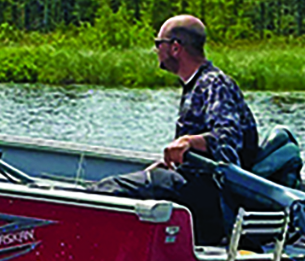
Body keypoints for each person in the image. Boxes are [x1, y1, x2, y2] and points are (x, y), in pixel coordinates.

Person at [86, 14, 258, 244]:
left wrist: (188, 142)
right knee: (142, 181)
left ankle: (78, 207)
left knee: (111, 189)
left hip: (211, 196)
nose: (156, 49)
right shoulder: (195, 85)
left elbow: (229, 137)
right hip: (195, 186)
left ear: (175, 48)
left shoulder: (214, 83)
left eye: (159, 43)